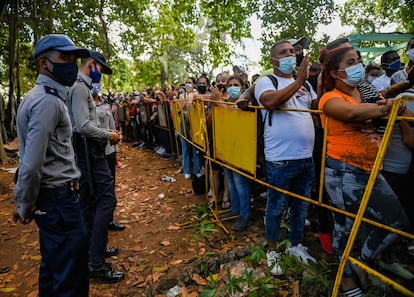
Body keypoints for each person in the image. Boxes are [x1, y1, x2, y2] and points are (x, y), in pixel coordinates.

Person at [318, 45, 409, 296]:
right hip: (343, 171)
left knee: (394, 222)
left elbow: (388, 106)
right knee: (344, 228)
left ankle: (362, 265)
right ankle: (346, 278)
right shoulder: (330, 98)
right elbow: (350, 113)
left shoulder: (366, 92)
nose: (358, 64)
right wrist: (387, 107)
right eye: (350, 62)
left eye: (358, 60)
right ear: (336, 73)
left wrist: (393, 105)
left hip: (371, 168)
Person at [13, 34, 90, 296]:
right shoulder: (46, 101)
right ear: (45, 63)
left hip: (54, 200)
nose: (71, 63)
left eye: (73, 58)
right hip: (59, 200)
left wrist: (25, 200)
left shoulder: (44, 97)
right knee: (71, 278)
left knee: (54, 270)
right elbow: (32, 163)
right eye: (64, 58)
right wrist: (24, 203)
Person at [254, 40, 317, 275]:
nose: (290, 55)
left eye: (292, 51)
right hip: (280, 159)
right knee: (276, 207)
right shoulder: (266, 82)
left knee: (301, 207)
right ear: (273, 60)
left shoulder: (306, 86)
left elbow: (316, 105)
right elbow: (270, 102)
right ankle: (272, 250)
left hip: (306, 158)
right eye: (284, 52)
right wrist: (300, 79)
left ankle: (296, 245)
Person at [67, 50, 124, 283]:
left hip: (89, 152)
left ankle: (92, 252)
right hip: (89, 153)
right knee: (106, 200)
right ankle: (96, 262)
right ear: (91, 64)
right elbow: (82, 126)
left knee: (89, 204)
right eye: (100, 68)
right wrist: (107, 134)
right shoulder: (80, 88)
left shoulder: (81, 87)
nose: (100, 73)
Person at [218, 75, 252, 231]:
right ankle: (235, 209)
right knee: (230, 181)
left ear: (242, 87)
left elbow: (235, 119)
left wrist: (219, 102)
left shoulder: (245, 104)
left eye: (236, 85)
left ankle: (245, 215)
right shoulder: (224, 103)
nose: (232, 87)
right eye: (229, 85)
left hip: (241, 150)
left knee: (240, 183)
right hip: (227, 148)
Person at [92, 84, 125, 231]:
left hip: (108, 151)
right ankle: (96, 221)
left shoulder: (106, 105)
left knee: (110, 186)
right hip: (93, 153)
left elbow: (113, 129)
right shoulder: (84, 105)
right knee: (96, 188)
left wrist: (116, 152)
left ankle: (109, 219)